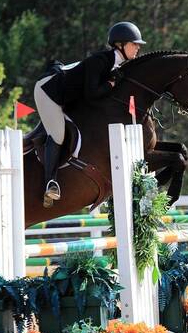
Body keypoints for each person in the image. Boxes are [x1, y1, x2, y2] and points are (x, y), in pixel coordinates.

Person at [34, 21, 146, 208]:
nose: (137, 48)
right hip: (49, 92)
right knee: (59, 134)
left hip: (70, 97)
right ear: (120, 45)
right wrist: (111, 84)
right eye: (134, 44)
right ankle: (50, 183)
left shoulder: (118, 65)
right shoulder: (101, 61)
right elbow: (93, 93)